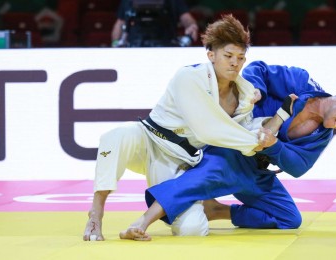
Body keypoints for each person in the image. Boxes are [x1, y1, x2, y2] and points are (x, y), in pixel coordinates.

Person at [118, 61, 336, 241]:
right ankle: (141, 222)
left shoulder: (323, 134)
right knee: (197, 181)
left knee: (289, 218)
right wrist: (254, 91)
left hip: (257, 170)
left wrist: (274, 146)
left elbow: (299, 166)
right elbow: (259, 69)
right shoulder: (302, 81)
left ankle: (217, 211)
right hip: (233, 149)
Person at [83, 15, 282, 241]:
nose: (235, 63)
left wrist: (276, 121)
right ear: (211, 55)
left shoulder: (246, 95)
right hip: (148, 139)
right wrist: (254, 144)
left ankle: (208, 205)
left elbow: (243, 130)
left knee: (193, 230)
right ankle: (95, 214)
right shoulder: (188, 77)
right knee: (115, 137)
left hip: (176, 161)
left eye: (240, 58)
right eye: (228, 56)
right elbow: (208, 130)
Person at [111, 0, 199, 47]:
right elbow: (119, 23)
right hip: (134, 47)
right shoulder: (128, 1)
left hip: (166, 47)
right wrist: (115, 42)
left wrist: (191, 26)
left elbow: (187, 18)